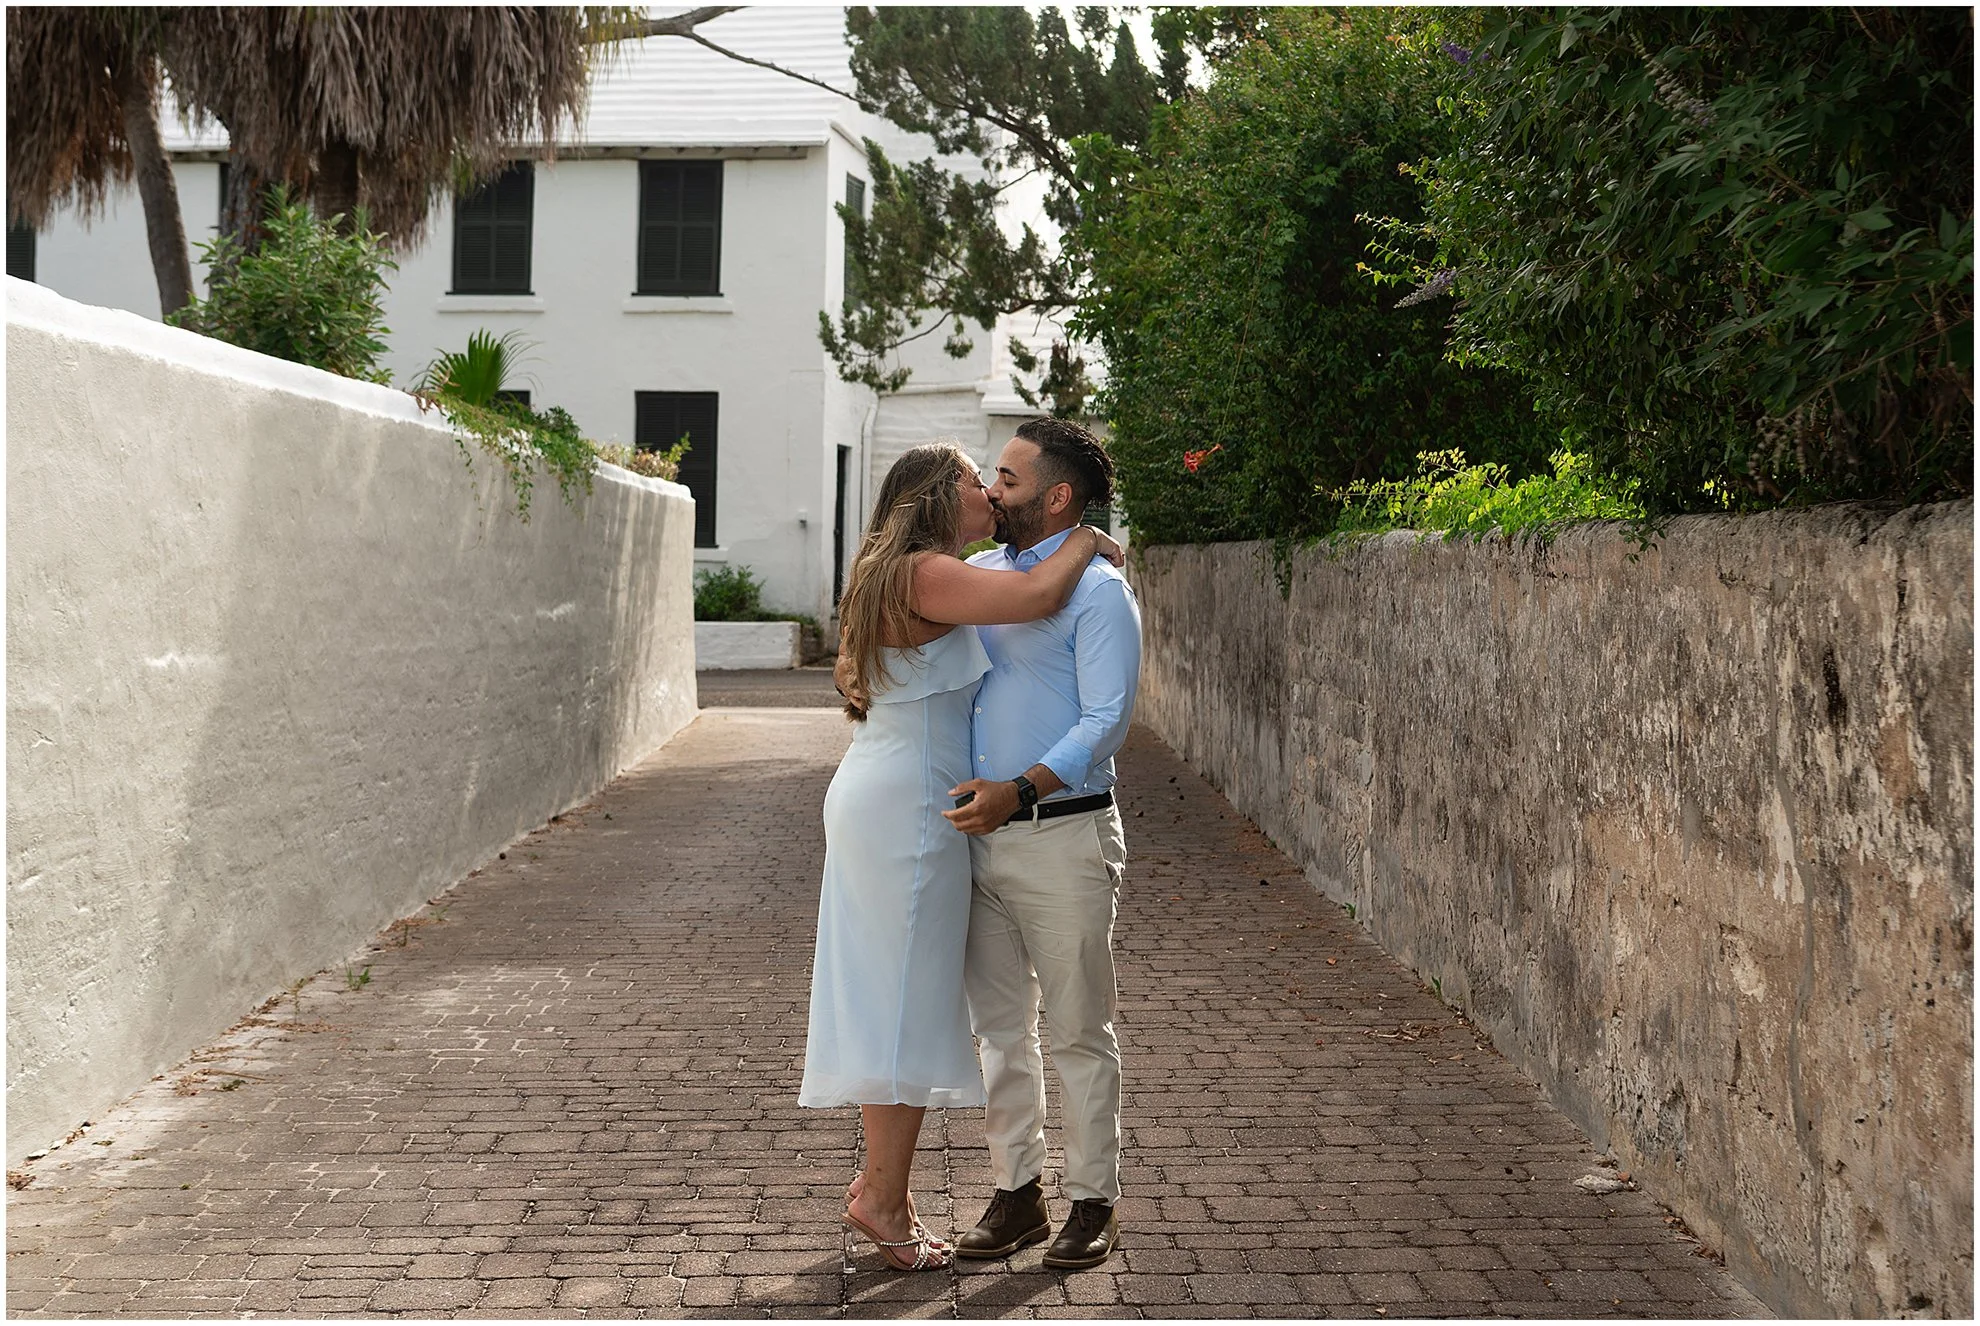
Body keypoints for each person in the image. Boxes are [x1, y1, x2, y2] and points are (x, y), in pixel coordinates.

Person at [801, 440, 1123, 1273]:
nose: (992, 491)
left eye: (1003, 478)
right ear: (944, 496)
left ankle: (891, 1191)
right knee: (904, 1002)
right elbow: (1039, 591)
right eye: (980, 479)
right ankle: (884, 1197)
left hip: (909, 797)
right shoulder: (928, 573)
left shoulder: (923, 571)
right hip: (910, 808)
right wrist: (1090, 537)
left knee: (900, 997)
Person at [941, 418, 1141, 1271]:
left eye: (1009, 480)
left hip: (1062, 837)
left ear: (1057, 497)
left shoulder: (1100, 592)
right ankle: (1017, 1192)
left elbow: (1107, 721)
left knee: (1078, 1029)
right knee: (999, 1031)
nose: (992, 491)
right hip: (976, 844)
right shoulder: (983, 575)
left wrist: (1018, 789)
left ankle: (1094, 1200)